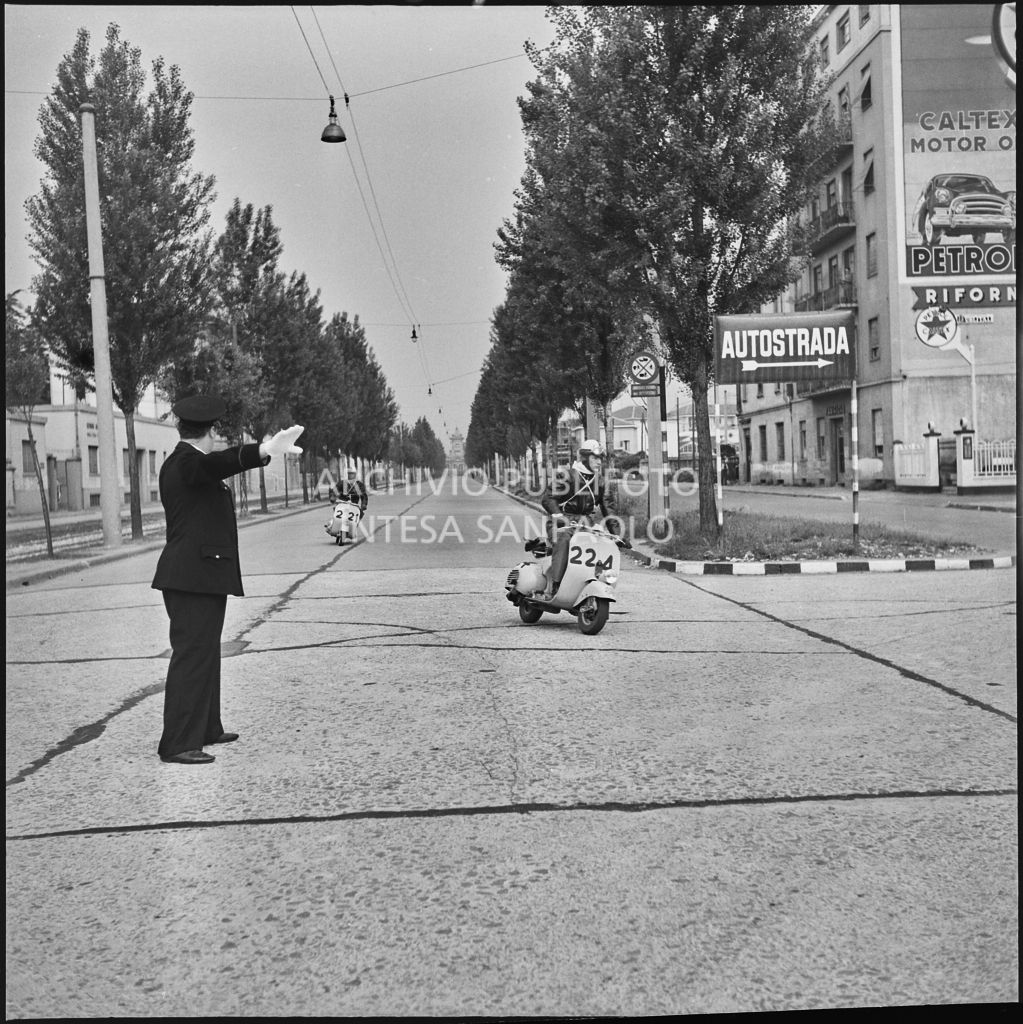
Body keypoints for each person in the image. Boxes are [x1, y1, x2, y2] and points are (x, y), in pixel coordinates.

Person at [151, 394, 304, 765]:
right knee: (192, 656)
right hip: (190, 578)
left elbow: (212, 468)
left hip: (199, 576)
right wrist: (262, 449)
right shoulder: (187, 463)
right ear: (212, 431)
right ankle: (177, 743)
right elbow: (215, 465)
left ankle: (205, 728)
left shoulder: (189, 463)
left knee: (205, 653)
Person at [538, 438, 612, 600]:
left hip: (585, 523)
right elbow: (548, 498)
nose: (599, 462)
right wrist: (557, 514)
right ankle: (556, 585)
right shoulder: (567, 476)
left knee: (602, 543)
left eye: (600, 459)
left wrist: (618, 534)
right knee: (563, 539)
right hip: (562, 522)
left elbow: (609, 508)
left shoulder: (599, 481)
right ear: (585, 458)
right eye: (595, 458)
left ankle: (593, 581)